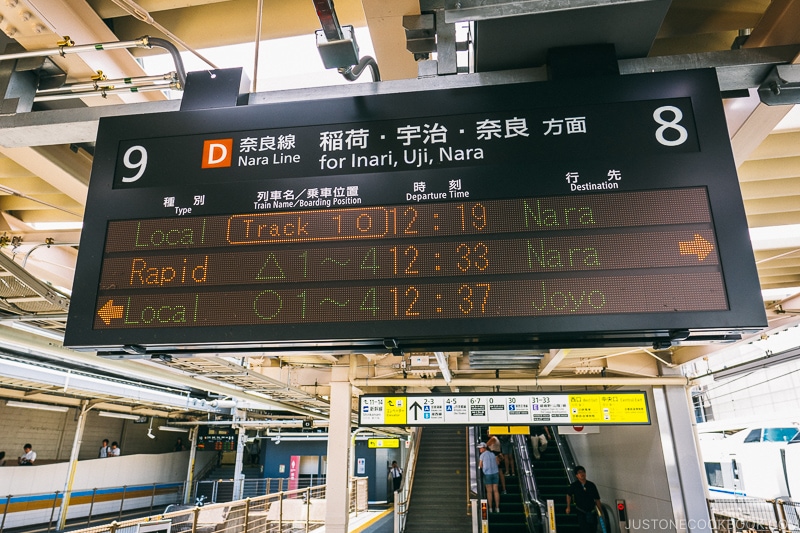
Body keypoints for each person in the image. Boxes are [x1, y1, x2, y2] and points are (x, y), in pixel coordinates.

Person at [566, 465, 602, 533]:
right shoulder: (574, 485)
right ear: (576, 475)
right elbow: (568, 495)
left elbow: (597, 499)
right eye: (579, 472)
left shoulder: (591, 485)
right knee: (584, 529)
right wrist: (568, 507)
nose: (582, 474)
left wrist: (600, 511)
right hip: (581, 511)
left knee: (593, 529)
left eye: (583, 472)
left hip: (592, 511)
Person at [478, 442, 501, 513]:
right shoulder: (492, 454)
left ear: (484, 448)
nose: (479, 450)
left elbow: (480, 466)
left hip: (487, 474)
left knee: (489, 491)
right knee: (496, 490)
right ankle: (497, 508)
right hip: (495, 473)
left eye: (480, 448)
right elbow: (497, 463)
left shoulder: (482, 455)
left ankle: (490, 508)